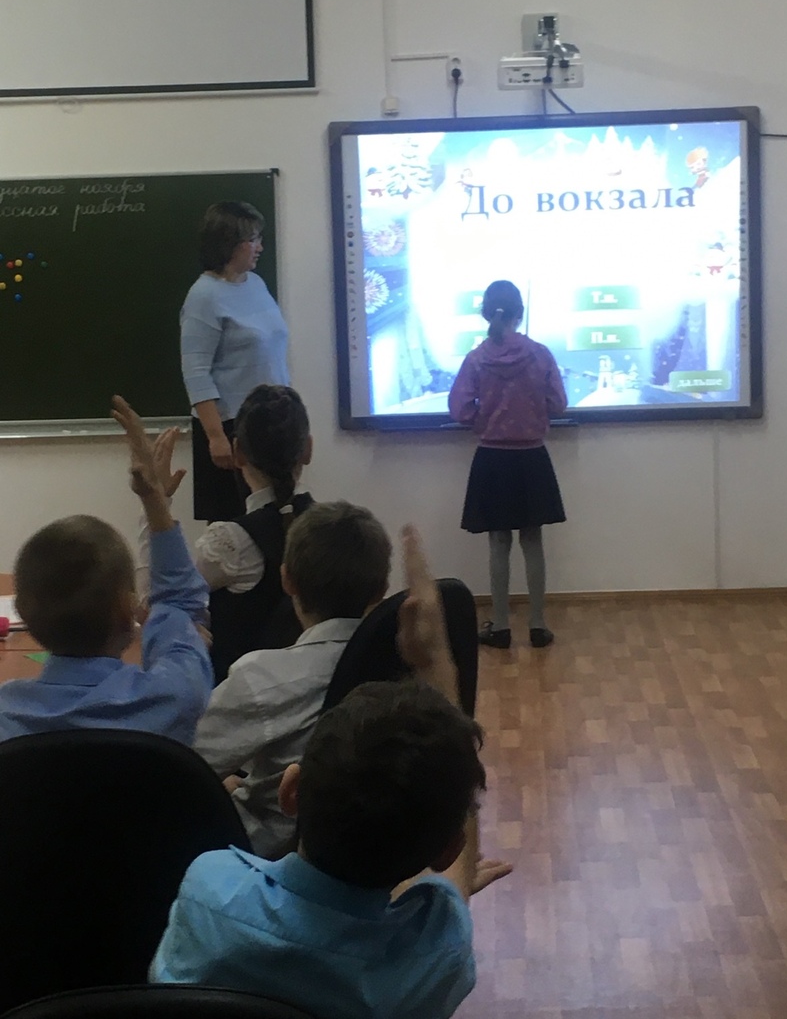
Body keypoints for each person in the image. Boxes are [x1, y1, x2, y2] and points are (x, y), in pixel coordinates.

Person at [150, 525, 513, 1019]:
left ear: (291, 790)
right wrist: (439, 666)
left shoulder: (209, 889)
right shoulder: (433, 955)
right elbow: (457, 870)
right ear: (446, 846)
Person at [0, 398, 213, 746]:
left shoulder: (6, 715)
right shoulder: (174, 695)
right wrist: (155, 501)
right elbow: (181, 604)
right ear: (129, 607)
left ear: (21, 611)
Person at [193, 501, 392, 857]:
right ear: (382, 589)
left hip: (264, 855)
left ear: (287, 579)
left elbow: (183, 761)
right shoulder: (400, 667)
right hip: (369, 849)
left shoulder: (262, 678)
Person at [136, 384, 314, 685]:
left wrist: (154, 504)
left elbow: (155, 604)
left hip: (235, 699)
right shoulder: (330, 527)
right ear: (308, 449)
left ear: (237, 452)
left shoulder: (230, 542)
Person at [448, 279, 567, 649]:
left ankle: (500, 626)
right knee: (532, 539)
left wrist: (485, 417)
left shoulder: (476, 358)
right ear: (520, 313)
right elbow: (559, 404)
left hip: (493, 460)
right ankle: (537, 625)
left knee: (499, 542)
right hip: (532, 458)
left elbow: (459, 409)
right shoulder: (540, 354)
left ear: (486, 313)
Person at [181, 201, 289, 522]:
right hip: (231, 430)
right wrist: (216, 437)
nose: (260, 247)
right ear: (229, 244)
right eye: (253, 240)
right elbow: (195, 372)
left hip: (270, 422)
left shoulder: (256, 284)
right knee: (235, 530)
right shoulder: (203, 296)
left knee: (275, 524)